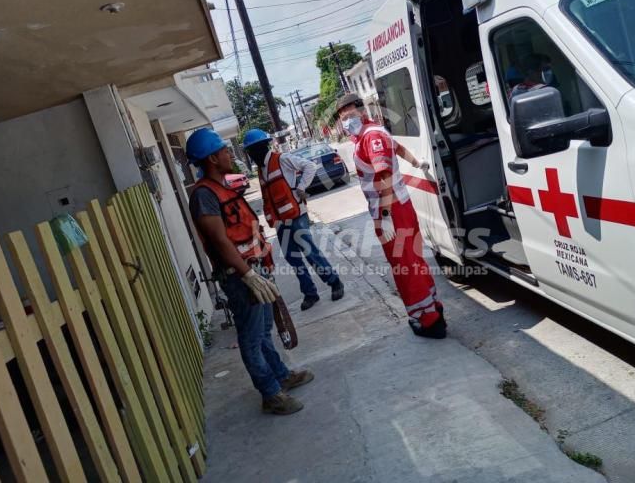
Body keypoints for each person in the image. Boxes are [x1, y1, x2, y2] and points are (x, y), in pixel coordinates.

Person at [185, 128, 313, 416]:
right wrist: (248, 275)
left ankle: (281, 376)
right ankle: (270, 394)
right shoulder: (204, 195)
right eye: (224, 150)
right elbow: (220, 240)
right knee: (251, 338)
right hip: (240, 276)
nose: (229, 154)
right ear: (212, 158)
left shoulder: (223, 187)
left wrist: (260, 268)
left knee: (264, 330)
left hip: (254, 269)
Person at [335, 93, 447, 339]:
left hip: (392, 210)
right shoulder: (372, 133)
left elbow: (384, 176)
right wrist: (417, 163)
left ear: (361, 111)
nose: (346, 120)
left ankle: (428, 320)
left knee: (405, 266)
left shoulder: (371, 136)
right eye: (342, 118)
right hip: (397, 207)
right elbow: (399, 148)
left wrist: (385, 215)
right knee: (413, 261)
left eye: (350, 114)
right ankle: (432, 308)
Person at [242, 129, 345, 311]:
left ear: (261, 148)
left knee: (310, 252)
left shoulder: (282, 159)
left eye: (251, 151)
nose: (251, 155)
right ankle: (310, 293)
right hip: (281, 221)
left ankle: (334, 282)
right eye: (249, 152)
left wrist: (301, 187)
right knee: (292, 258)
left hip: (296, 215)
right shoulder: (261, 169)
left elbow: (310, 166)